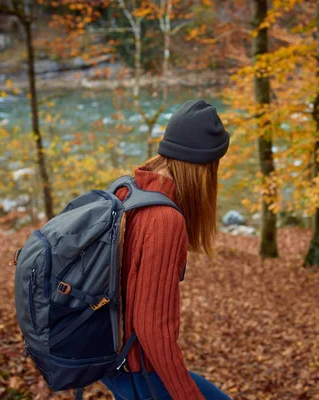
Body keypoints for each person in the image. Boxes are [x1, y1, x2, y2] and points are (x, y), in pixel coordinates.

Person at [102, 100, 232, 400]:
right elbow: (152, 329)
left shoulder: (127, 189)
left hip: (112, 358)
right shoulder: (165, 220)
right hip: (138, 371)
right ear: (205, 167)